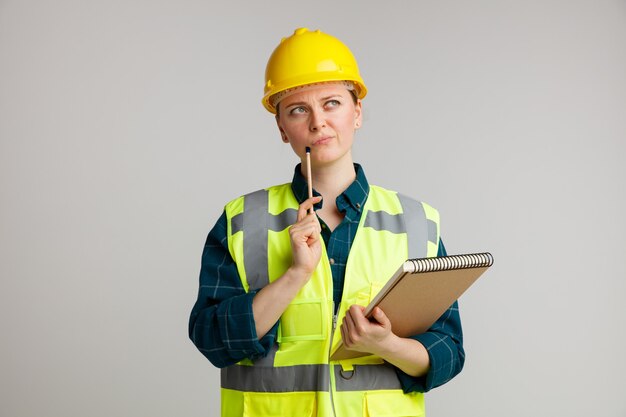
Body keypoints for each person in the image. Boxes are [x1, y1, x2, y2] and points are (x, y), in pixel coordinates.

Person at [189, 27, 464, 417]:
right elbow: (213, 340)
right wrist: (294, 276)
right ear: (282, 128)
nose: (318, 122)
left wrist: (386, 345)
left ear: (358, 113)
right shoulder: (241, 220)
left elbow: (448, 351)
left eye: (332, 103)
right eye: (298, 109)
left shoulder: (417, 223)